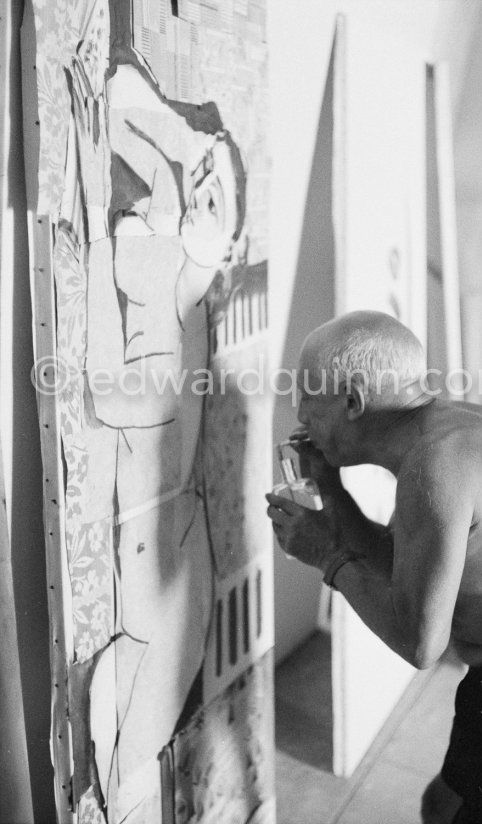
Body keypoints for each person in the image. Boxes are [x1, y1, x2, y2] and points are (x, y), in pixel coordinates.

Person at [266, 310, 482, 824]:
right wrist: (330, 494)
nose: (301, 416)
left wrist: (328, 556)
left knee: (449, 811)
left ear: (352, 401)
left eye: (307, 395)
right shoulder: (446, 429)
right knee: (440, 803)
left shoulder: (433, 468)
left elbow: (421, 644)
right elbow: (408, 567)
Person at [65, 52, 246, 821]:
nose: (198, 194)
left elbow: (115, 397)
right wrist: (111, 137)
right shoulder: (170, 243)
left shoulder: (183, 276)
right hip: (165, 532)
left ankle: (120, 802)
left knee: (126, 749)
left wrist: (101, 166)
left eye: (220, 196)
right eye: (204, 181)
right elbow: (134, 123)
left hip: (167, 535)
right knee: (120, 729)